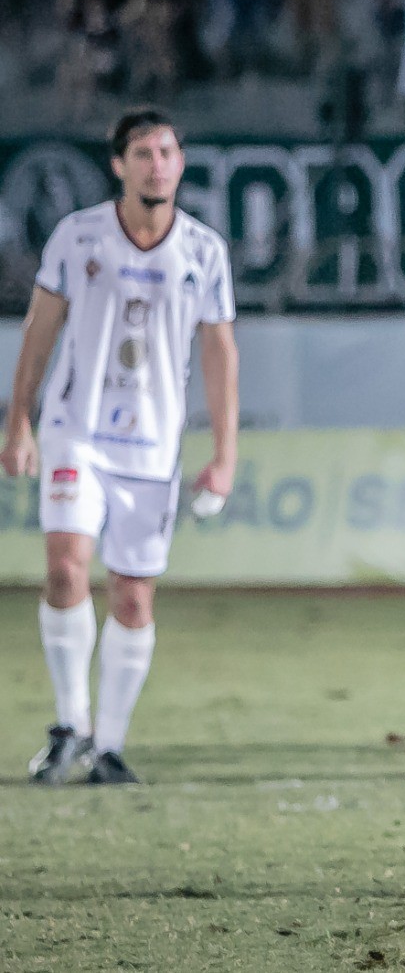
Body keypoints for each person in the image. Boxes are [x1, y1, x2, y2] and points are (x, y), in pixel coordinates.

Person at [2, 109, 239, 785]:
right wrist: (18, 420)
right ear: (118, 165)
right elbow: (40, 331)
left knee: (134, 600)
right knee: (65, 567)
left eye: (166, 151)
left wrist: (224, 454)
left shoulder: (203, 252)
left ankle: (108, 744)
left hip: (154, 449)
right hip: (76, 430)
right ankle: (69, 724)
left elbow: (220, 354)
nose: (156, 164)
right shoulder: (77, 237)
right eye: (142, 153)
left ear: (181, 163)